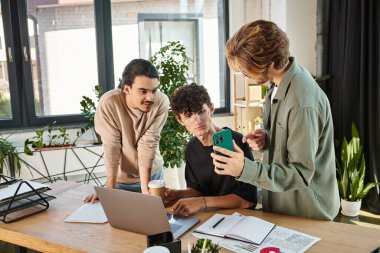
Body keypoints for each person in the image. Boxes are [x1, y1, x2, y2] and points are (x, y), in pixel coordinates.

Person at [211, 20, 340, 220]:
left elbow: (300, 172)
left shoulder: (301, 102)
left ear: (269, 62)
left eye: (247, 70)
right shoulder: (277, 82)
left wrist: (245, 168)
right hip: (282, 206)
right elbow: (290, 136)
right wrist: (267, 136)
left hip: (307, 212)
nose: (245, 76)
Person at [165, 83, 257, 216]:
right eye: (189, 115)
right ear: (180, 119)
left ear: (211, 109)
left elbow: (246, 201)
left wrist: (203, 202)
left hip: (239, 218)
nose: (197, 120)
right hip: (208, 218)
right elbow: (197, 190)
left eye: (201, 112)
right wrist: (177, 194)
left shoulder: (236, 142)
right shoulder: (191, 148)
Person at [84, 59, 169, 203]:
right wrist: (109, 190)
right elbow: (112, 147)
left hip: (152, 178)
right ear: (127, 89)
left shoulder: (161, 102)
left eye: (154, 90)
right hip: (119, 181)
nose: (150, 97)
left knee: (155, 221)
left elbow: (148, 144)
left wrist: (146, 191)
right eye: (143, 91)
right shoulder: (109, 103)